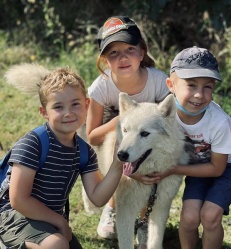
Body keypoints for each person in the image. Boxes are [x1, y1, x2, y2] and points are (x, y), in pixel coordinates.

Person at [0, 67, 123, 249]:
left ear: (87, 105)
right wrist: (60, 222)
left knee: (58, 244)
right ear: (44, 112)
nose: (68, 112)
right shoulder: (33, 143)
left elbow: (97, 198)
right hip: (14, 217)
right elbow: (18, 200)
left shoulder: (84, 152)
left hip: (48, 221)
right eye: (58, 107)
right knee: (56, 245)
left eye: (75, 104)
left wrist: (117, 165)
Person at [86, 16, 169, 248]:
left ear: (142, 52)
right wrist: (123, 119)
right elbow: (92, 135)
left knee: (149, 151)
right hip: (114, 133)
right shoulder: (101, 87)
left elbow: (168, 125)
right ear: (104, 60)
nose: (122, 57)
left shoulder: (159, 81)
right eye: (113, 53)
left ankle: (144, 217)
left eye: (129, 49)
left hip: (146, 138)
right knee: (117, 142)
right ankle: (113, 205)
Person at [154, 46, 231, 249]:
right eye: (191, 85)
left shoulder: (220, 122)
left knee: (210, 216)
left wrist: (173, 169)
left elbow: (217, 168)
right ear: (171, 85)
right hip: (199, 167)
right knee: (188, 218)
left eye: (207, 86)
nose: (199, 94)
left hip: (225, 168)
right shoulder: (164, 114)